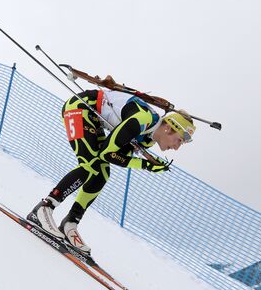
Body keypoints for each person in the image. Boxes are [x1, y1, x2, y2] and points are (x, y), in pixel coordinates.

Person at [27, 88, 196, 254]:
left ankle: (70, 223)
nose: (176, 147)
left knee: (101, 173)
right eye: (179, 140)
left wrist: (146, 163)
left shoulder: (148, 140)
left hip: (93, 119)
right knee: (91, 164)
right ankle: (44, 207)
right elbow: (108, 153)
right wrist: (146, 165)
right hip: (80, 108)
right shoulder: (143, 119)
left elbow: (117, 155)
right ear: (168, 128)